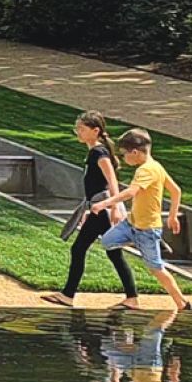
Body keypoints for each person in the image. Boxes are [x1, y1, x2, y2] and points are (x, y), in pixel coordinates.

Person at [41, 111, 139, 310]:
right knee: (112, 252)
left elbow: (112, 182)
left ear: (96, 131)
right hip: (96, 209)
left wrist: (115, 207)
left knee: (81, 249)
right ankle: (131, 297)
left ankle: (69, 295)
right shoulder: (96, 152)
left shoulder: (98, 153)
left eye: (82, 129)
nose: (78, 132)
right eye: (77, 128)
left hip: (101, 210)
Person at [90, 128, 192, 311]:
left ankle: (182, 303)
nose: (123, 159)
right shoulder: (157, 166)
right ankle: (139, 241)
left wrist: (104, 204)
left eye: (124, 155)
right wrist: (172, 216)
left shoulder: (146, 170)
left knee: (156, 268)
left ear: (135, 152)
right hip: (131, 224)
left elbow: (130, 193)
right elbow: (176, 191)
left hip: (147, 229)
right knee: (107, 241)